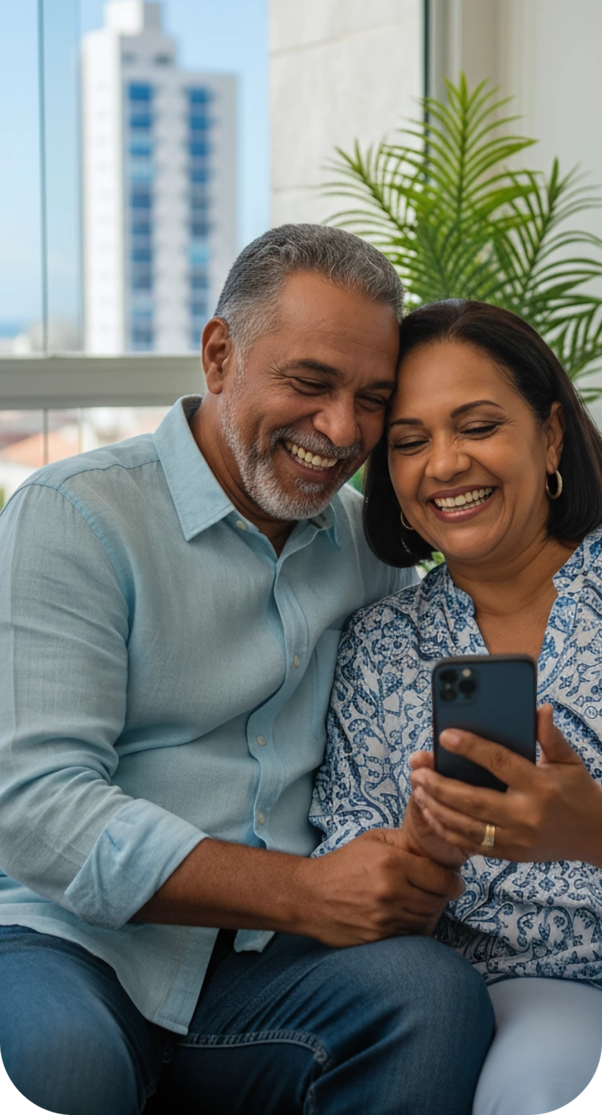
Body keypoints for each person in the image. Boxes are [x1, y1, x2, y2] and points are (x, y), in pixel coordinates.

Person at [0, 229, 494, 1115]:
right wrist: (304, 893)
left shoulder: (369, 549)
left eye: (371, 398)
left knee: (432, 995)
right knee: (63, 1061)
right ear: (220, 355)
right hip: (72, 944)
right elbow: (36, 811)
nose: (342, 431)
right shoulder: (73, 515)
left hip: (269, 971)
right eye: (309, 383)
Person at [310, 297, 602, 1115]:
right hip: (474, 995)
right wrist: (421, 854)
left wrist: (591, 831)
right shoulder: (378, 644)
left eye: (476, 427)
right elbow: (353, 881)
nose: (443, 465)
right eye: (409, 442)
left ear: (549, 436)